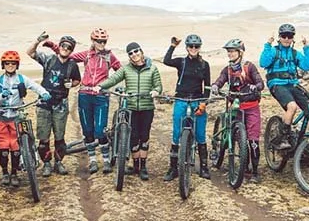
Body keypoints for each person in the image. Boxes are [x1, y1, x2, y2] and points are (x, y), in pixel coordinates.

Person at [99, 42, 163, 181]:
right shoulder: (126, 69)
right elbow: (114, 79)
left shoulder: (152, 68)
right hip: (132, 108)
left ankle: (143, 166)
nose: (134, 54)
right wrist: (100, 86)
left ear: (141, 51)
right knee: (133, 137)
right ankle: (135, 166)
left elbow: (158, 86)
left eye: (136, 51)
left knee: (144, 136)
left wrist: (155, 91)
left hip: (147, 107)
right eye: (131, 53)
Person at [0, 51, 51, 188]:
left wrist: (44, 93)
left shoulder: (22, 79)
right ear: (3, 65)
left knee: (16, 146)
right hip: (1, 116)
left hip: (16, 115)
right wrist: (1, 97)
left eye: (13, 63)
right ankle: (5, 172)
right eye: (7, 63)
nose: (10, 65)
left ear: (17, 65)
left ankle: (14, 173)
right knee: (3, 146)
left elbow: (35, 86)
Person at [211, 38, 265, 183]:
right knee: (239, 138)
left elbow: (260, 82)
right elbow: (221, 79)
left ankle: (255, 172)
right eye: (228, 51)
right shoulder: (227, 70)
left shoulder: (249, 67)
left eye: (233, 51)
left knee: (253, 140)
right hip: (236, 106)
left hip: (251, 107)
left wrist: (256, 86)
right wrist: (216, 86)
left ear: (240, 52)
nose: (230, 54)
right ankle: (243, 167)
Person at [29, 32, 82, 176]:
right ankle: (46, 163)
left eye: (69, 47)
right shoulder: (49, 59)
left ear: (71, 50)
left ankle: (58, 162)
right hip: (44, 103)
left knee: (59, 137)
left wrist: (71, 84)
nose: (65, 48)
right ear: (59, 46)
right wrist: (37, 41)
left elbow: (77, 80)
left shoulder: (72, 65)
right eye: (63, 45)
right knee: (43, 137)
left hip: (61, 104)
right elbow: (30, 53)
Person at [70, 28, 122, 174]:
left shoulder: (109, 56)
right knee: (88, 130)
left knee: (100, 130)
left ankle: (106, 160)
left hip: (101, 96)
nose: (101, 43)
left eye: (104, 41)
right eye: (98, 41)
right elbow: (67, 56)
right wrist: (53, 46)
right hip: (84, 95)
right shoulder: (86, 54)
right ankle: (93, 160)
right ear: (92, 40)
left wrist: (109, 84)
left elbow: (121, 71)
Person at [259, 23, 309, 137]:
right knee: (292, 106)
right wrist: (268, 44)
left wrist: (307, 47)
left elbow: (306, 66)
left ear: (293, 38)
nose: (286, 39)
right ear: (279, 37)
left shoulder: (295, 53)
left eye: (289, 36)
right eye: (283, 36)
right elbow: (263, 63)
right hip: (277, 84)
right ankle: (283, 137)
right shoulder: (273, 51)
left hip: (293, 84)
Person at [162, 33, 212, 181]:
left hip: (197, 100)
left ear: (200, 47)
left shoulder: (204, 65)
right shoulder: (181, 62)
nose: (193, 48)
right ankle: (173, 168)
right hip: (181, 100)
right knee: (176, 134)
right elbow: (166, 61)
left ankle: (204, 167)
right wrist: (172, 46)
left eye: (196, 46)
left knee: (200, 134)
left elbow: (207, 86)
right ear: (187, 47)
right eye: (191, 46)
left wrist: (204, 103)